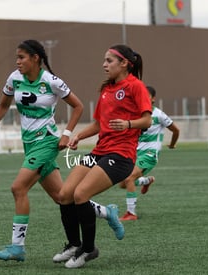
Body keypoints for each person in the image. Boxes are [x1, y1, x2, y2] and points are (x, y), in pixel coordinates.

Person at [0, 39, 84, 262]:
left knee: (18, 188)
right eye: (16, 57)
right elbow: (4, 105)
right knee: (62, 197)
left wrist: (66, 133)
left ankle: (18, 248)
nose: (18, 62)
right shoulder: (14, 78)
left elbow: (78, 106)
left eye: (22, 57)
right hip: (30, 144)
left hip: (47, 141)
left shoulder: (51, 81)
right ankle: (105, 212)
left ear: (36, 58)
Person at [53, 45, 152, 269]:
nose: (104, 65)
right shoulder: (107, 89)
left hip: (121, 155)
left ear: (124, 63)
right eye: (104, 61)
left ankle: (88, 250)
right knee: (65, 194)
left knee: (81, 194)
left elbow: (147, 120)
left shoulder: (136, 87)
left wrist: (128, 124)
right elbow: (99, 124)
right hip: (99, 152)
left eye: (109, 61)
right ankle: (73, 244)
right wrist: (79, 136)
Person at [119, 85, 180, 221]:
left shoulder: (158, 115)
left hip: (150, 154)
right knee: (123, 183)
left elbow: (176, 130)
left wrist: (172, 144)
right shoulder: (135, 114)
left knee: (129, 179)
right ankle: (146, 181)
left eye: (146, 96)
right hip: (133, 154)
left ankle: (131, 213)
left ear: (153, 99)